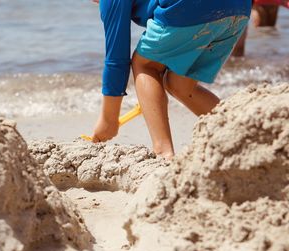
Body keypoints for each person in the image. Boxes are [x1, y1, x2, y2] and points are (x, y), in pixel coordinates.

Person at [91, 0, 251, 159]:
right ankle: (245, 132)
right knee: (180, 85)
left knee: (145, 65)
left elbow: (117, 60)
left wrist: (109, 119)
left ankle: (163, 152)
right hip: (239, 8)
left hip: (190, 7)